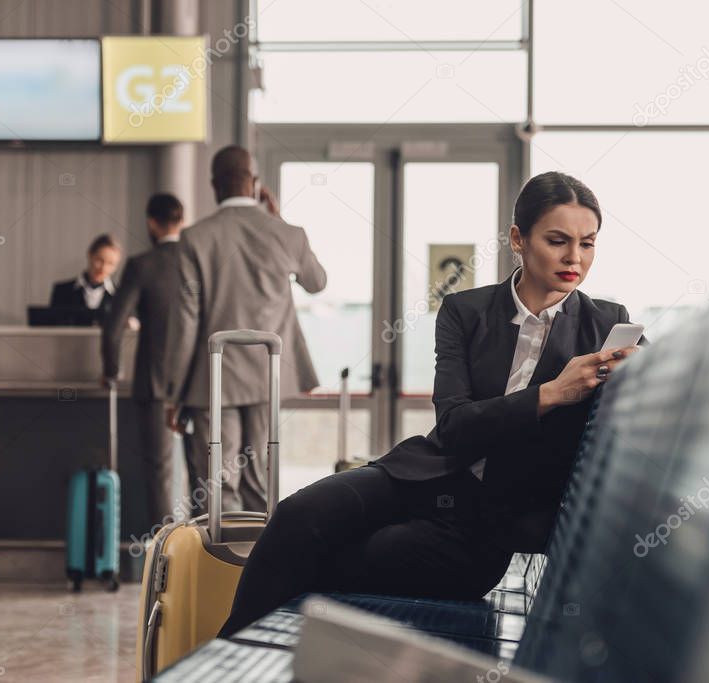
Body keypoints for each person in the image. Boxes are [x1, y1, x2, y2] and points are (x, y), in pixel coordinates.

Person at [217, 171, 648, 638]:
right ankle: (223, 654)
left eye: (588, 244)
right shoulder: (466, 311)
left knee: (350, 556)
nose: (575, 259)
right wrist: (552, 393)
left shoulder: (606, 323)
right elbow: (456, 425)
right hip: (425, 473)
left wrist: (641, 369)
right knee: (296, 516)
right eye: (558, 240)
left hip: (488, 523)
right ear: (518, 239)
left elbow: (656, 391)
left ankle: (276, 658)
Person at [163, 145, 327, 515]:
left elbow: (186, 318)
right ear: (255, 184)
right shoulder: (289, 235)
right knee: (260, 483)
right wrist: (279, 220)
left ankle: (217, 568)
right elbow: (317, 282)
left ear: (214, 186)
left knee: (216, 485)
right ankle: (259, 567)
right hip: (267, 376)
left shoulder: (195, 238)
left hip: (213, 378)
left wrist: (174, 391)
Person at [101, 194, 186, 527]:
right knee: (207, 472)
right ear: (181, 221)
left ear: (151, 222)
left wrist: (110, 371)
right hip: (203, 381)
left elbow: (112, 328)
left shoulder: (142, 265)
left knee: (160, 473)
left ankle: (165, 562)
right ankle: (209, 559)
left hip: (156, 383)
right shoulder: (200, 260)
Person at [49, 233, 122, 314]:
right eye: (99, 260)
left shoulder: (121, 296)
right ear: (90, 255)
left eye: (110, 263)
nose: (103, 268)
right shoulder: (62, 291)